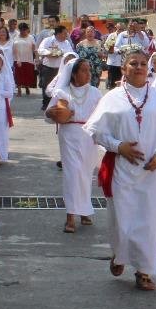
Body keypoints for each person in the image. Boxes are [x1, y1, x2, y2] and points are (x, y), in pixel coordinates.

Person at [86, 46, 156, 290]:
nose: (138, 67)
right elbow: (96, 130)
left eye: (142, 63)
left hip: (152, 172)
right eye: (133, 63)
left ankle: (144, 271)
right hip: (123, 170)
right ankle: (119, 254)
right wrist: (119, 147)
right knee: (122, 218)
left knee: (149, 220)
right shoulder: (112, 98)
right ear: (124, 69)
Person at [46, 58, 103, 233]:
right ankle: (70, 215)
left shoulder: (95, 93)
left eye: (89, 70)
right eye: (84, 70)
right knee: (72, 174)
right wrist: (53, 112)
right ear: (74, 74)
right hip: (69, 134)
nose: (88, 74)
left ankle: (84, 210)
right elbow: (48, 115)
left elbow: (103, 117)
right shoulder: (61, 92)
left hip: (89, 136)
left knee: (85, 175)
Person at [37, 25, 74, 110]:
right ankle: (46, 103)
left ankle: (58, 103)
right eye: (64, 34)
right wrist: (49, 53)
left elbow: (70, 53)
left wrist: (61, 52)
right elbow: (40, 50)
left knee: (60, 86)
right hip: (48, 67)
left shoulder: (66, 43)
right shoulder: (47, 40)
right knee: (46, 86)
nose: (66, 36)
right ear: (58, 34)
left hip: (61, 69)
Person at [11, 22, 38, 95]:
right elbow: (14, 49)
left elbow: (35, 49)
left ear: (27, 30)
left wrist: (37, 58)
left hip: (28, 59)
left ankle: (27, 87)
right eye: (21, 30)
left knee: (27, 75)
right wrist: (18, 59)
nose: (23, 32)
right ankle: (19, 89)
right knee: (18, 75)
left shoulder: (31, 37)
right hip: (18, 59)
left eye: (24, 30)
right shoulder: (15, 38)